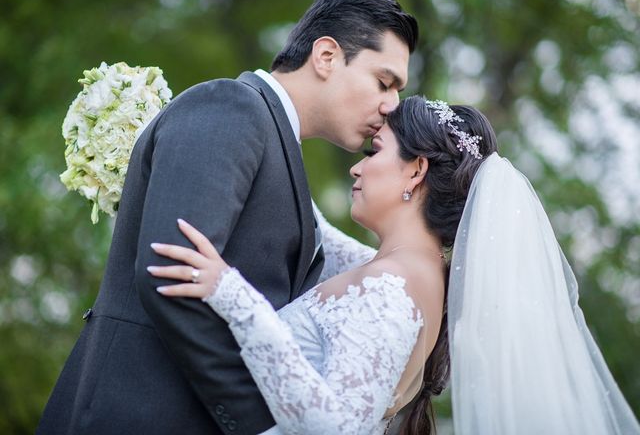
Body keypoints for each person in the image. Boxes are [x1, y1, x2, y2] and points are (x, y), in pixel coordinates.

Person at [37, 0, 418, 435]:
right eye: (383, 82)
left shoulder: (278, 145)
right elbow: (168, 273)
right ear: (327, 56)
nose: (391, 105)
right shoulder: (231, 107)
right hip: (134, 413)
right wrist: (257, 424)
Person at [149, 96, 640, 435]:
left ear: (416, 169)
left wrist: (234, 298)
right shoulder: (404, 272)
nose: (357, 167)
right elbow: (310, 223)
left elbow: (336, 428)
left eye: (374, 151)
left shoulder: (390, 287)